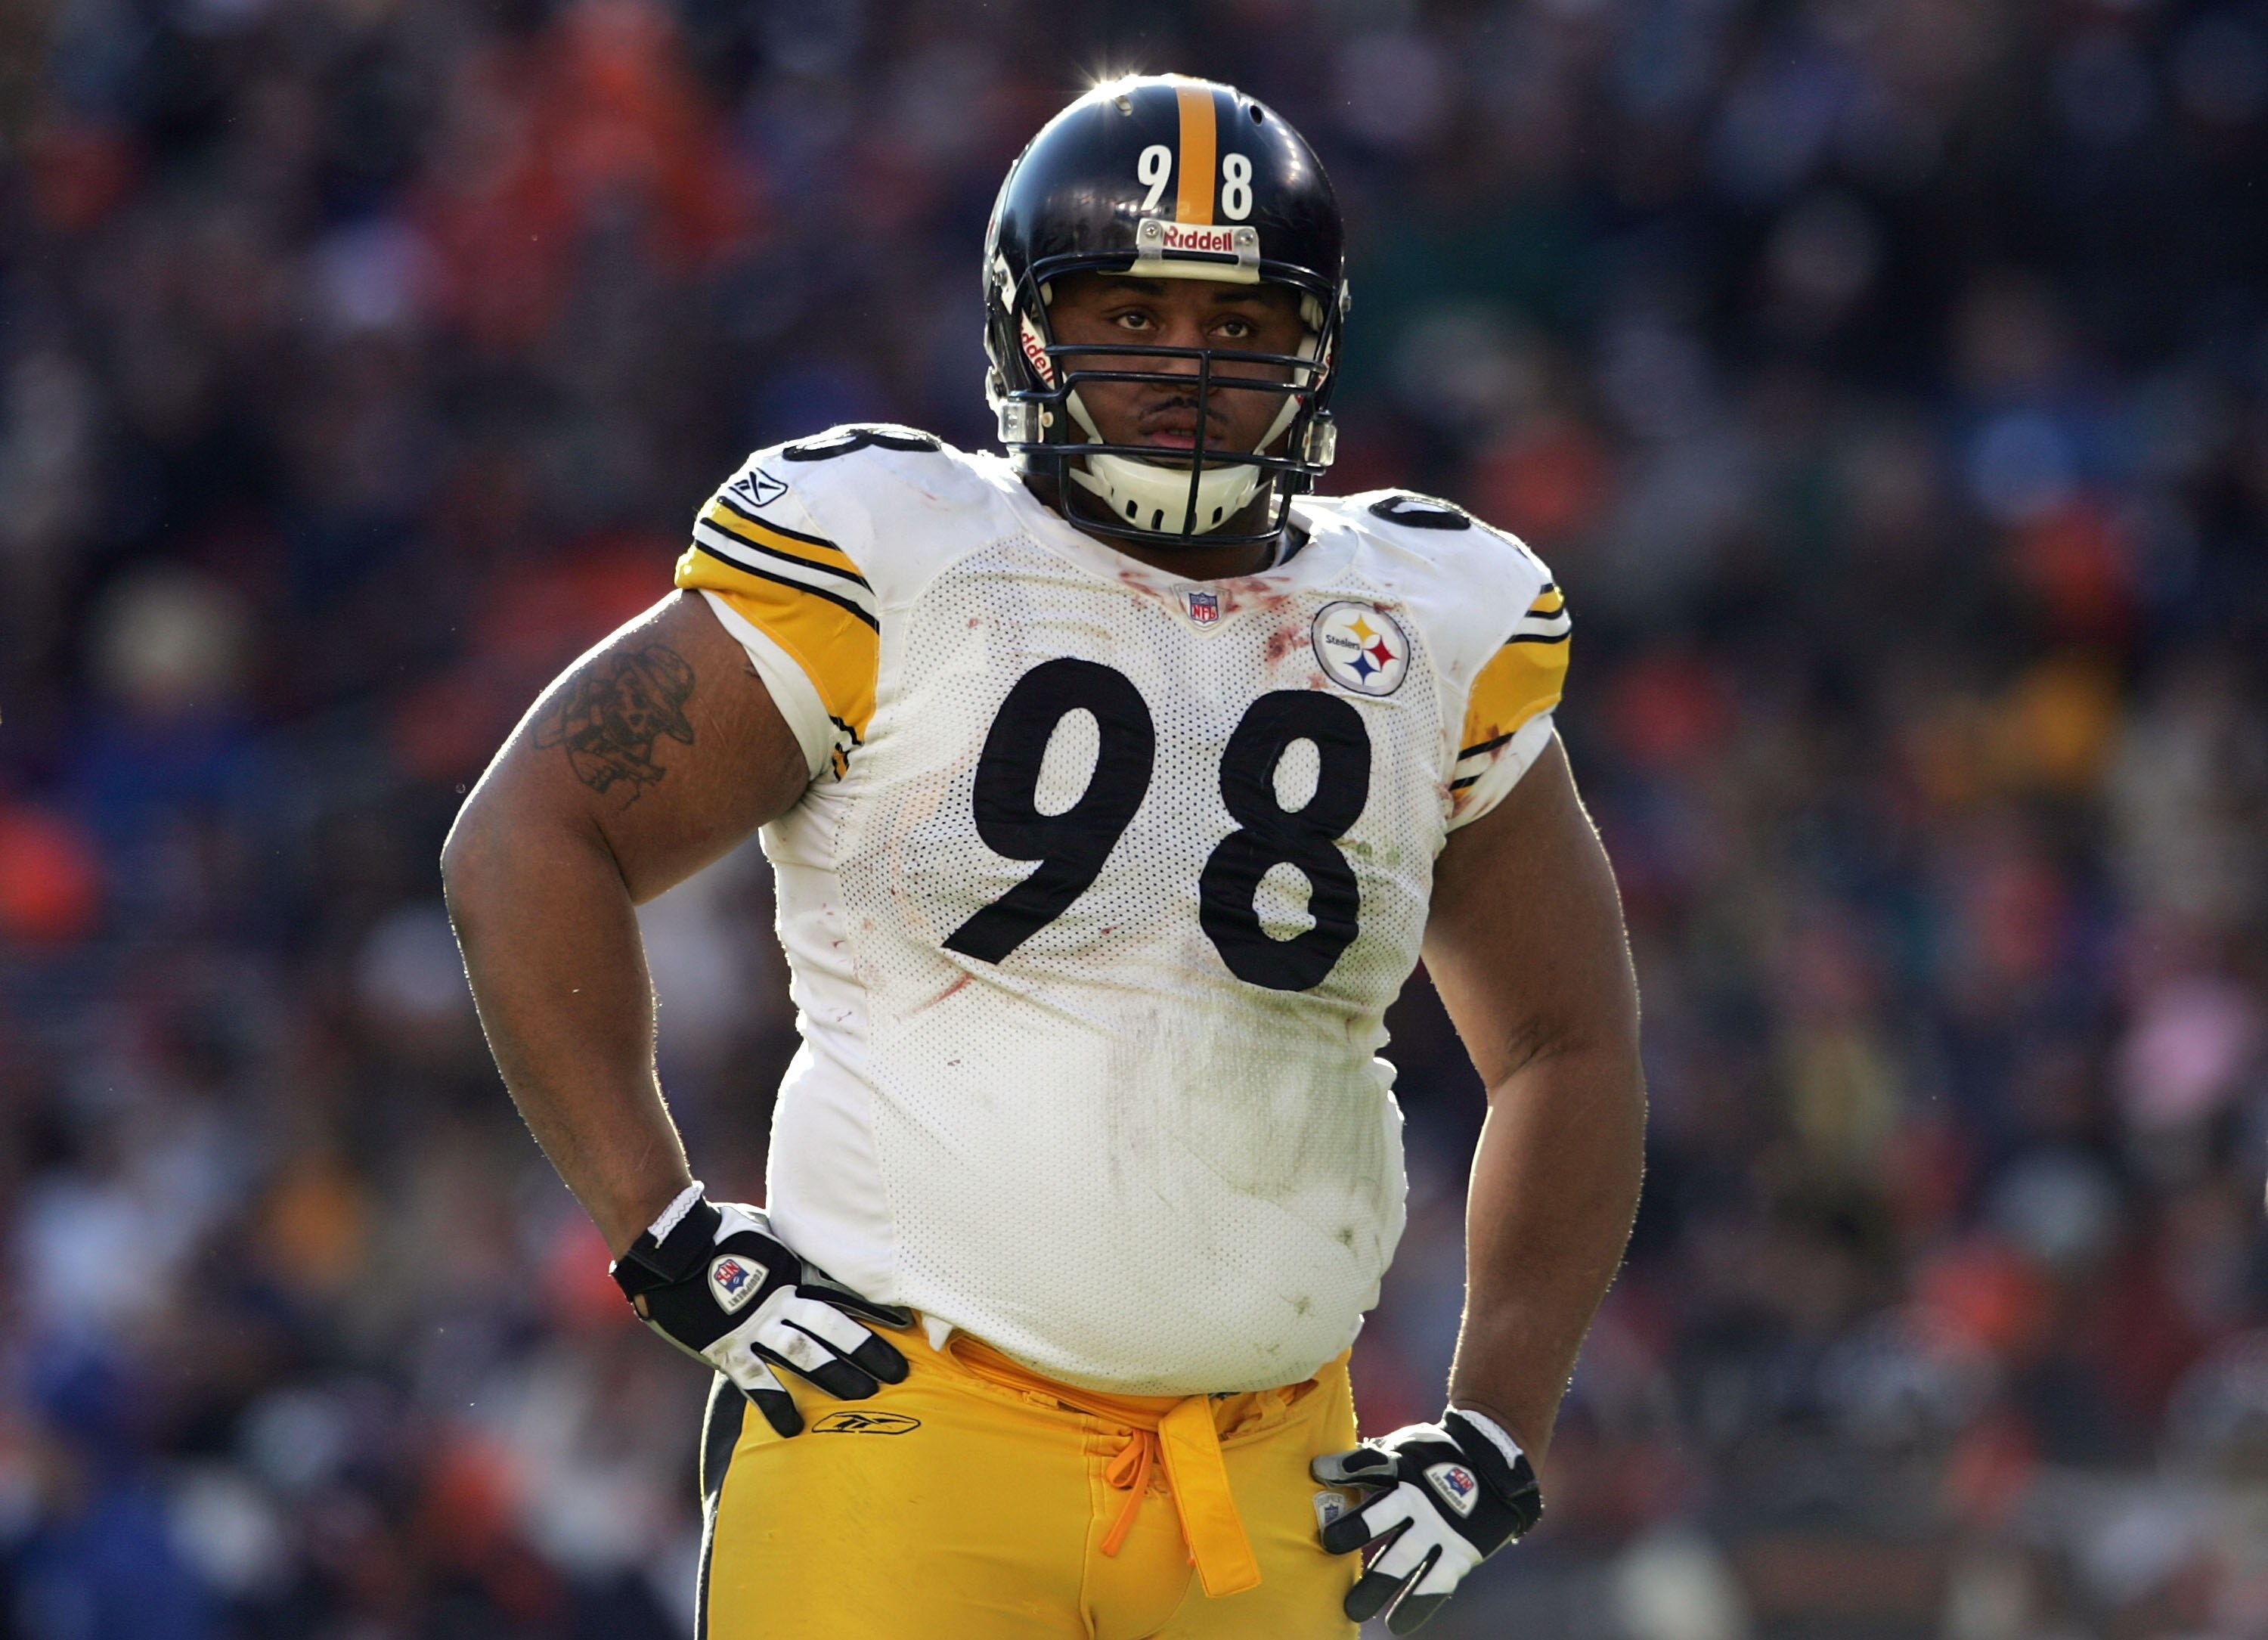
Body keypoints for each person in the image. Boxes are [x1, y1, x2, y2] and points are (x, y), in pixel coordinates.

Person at [443, 73, 1644, 1639]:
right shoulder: (898, 544)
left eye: (1239, 323)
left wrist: (1498, 1415)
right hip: (903, 1426)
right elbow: (531, 831)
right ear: (1026, 327)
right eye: (1130, 313)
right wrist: (658, 1223)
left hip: (1265, 1468)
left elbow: (1569, 1033)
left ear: (1321, 338)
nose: (1187, 367)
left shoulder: (1433, 614)